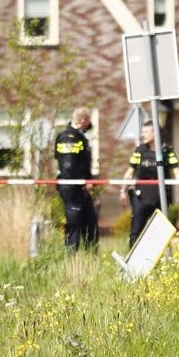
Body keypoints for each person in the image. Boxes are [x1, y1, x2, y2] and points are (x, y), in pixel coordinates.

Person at [126, 123, 179, 248]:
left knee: (161, 232)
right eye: (142, 132)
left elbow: (176, 171)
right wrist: (123, 190)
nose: (142, 135)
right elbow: (130, 172)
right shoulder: (139, 151)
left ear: (155, 134)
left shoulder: (166, 151)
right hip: (141, 197)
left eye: (146, 132)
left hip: (161, 197)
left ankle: (161, 257)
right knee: (136, 230)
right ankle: (132, 256)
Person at [53, 107, 98, 251]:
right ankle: (71, 257)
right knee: (74, 223)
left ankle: (91, 257)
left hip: (80, 186)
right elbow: (68, 165)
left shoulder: (79, 137)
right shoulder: (69, 137)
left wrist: (87, 180)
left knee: (90, 222)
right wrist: (82, 181)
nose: (90, 125)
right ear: (83, 120)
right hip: (72, 186)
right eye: (89, 121)